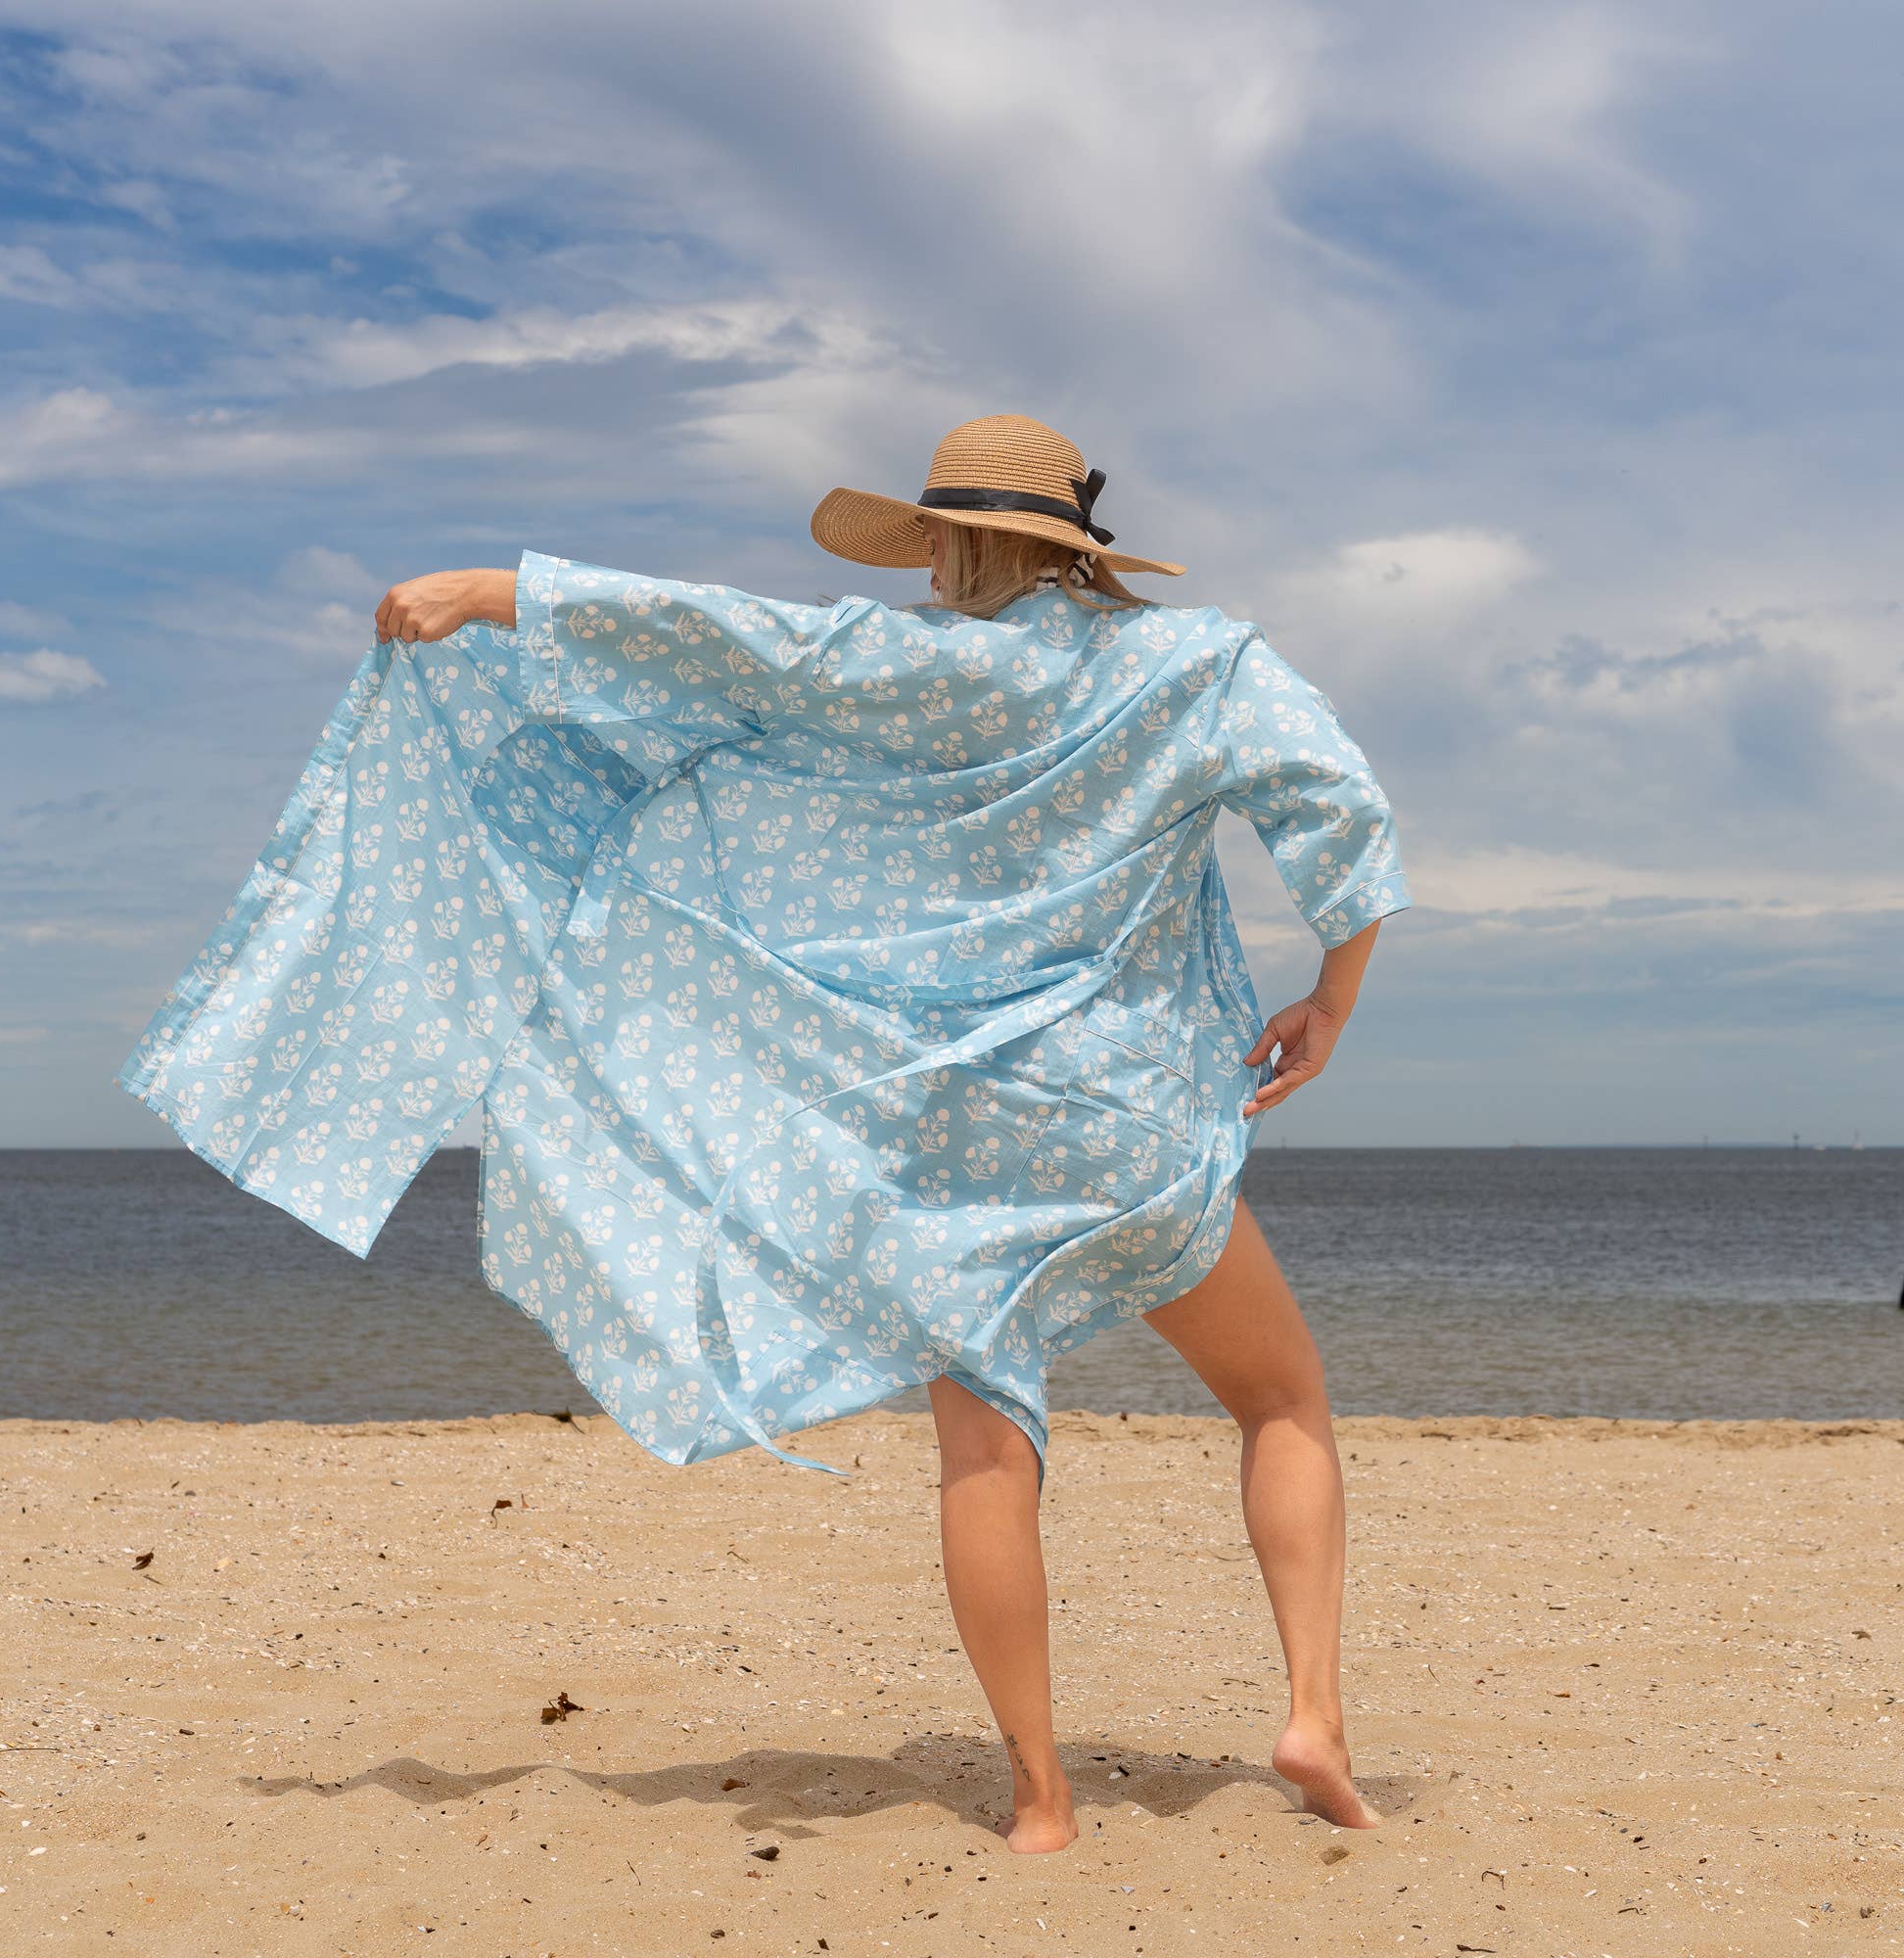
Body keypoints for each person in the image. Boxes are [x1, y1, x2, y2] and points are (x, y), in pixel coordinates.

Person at [118, 413, 1409, 1854]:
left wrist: (494, 590)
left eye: (935, 542)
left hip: (940, 1138)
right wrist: (1332, 1005)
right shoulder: (1202, 667)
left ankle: (1041, 1804)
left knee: (988, 1458)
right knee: (1281, 1404)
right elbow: (1342, 820)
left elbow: (715, 637)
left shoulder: (894, 663)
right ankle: (1311, 1716)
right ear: (1079, 550)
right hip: (1122, 1125)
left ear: (954, 542)